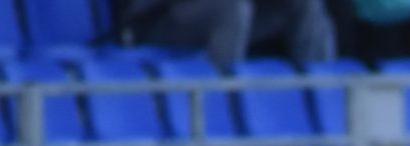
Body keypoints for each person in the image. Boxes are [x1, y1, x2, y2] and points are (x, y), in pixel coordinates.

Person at [116, 0, 335, 71]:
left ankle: (322, 95)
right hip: (156, 19)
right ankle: (224, 100)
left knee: (304, 4)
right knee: (233, 8)